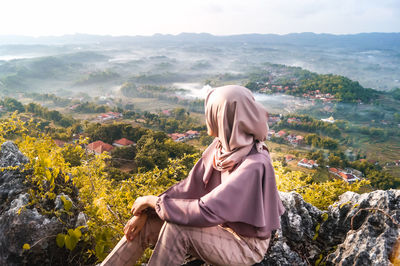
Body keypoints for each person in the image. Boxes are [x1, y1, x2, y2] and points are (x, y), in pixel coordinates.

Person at [101, 85, 285, 266]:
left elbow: (205, 210)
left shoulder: (255, 164)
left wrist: (152, 201)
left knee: (178, 227)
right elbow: (188, 188)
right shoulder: (220, 147)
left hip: (244, 245)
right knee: (149, 222)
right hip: (218, 228)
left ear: (223, 117)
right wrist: (147, 212)